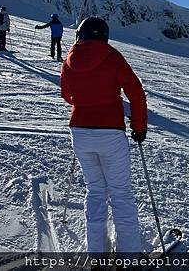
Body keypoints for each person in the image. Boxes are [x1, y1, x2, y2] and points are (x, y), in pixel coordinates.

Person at [60, 17, 148, 254]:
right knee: (120, 194)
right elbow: (136, 92)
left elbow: (66, 94)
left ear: (81, 34)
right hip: (110, 133)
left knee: (96, 189)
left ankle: (96, 253)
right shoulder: (111, 55)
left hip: (79, 132)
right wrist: (139, 127)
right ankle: (128, 257)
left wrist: (85, 103)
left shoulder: (70, 58)